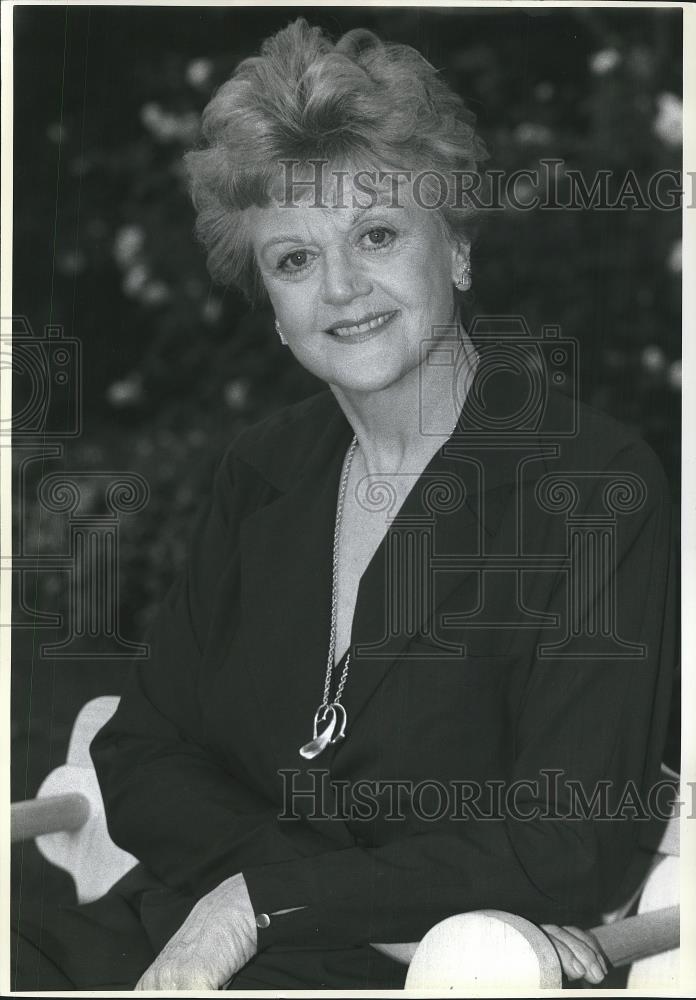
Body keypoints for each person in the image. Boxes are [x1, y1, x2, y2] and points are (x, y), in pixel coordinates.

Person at [12, 18, 676, 991]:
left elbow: (573, 843)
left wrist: (267, 898)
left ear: (454, 248)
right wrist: (261, 893)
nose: (339, 287)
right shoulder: (262, 470)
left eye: (375, 234)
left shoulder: (593, 482)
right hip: (171, 931)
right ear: (274, 315)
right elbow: (142, 750)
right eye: (292, 260)